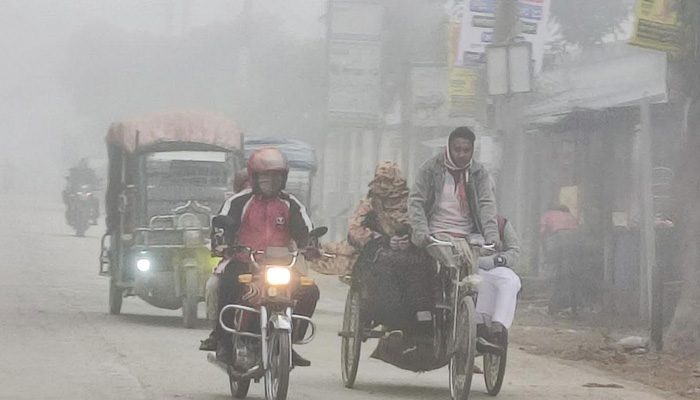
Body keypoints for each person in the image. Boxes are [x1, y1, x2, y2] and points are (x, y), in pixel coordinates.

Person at [212, 148, 319, 367]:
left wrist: (311, 246)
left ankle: (289, 340)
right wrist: (222, 242)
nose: (270, 181)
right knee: (228, 282)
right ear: (254, 177)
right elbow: (222, 225)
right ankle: (222, 340)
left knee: (309, 290)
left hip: (281, 265)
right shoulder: (239, 202)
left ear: (284, 179)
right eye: (265, 176)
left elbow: (305, 231)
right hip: (244, 262)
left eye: (276, 176)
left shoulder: (292, 204)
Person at [409, 126, 500, 248]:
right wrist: (421, 232)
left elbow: (486, 205)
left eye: (466, 150)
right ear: (448, 148)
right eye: (457, 149)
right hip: (435, 236)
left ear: (473, 151)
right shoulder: (430, 169)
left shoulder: (478, 173)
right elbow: (416, 202)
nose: (461, 154)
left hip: (468, 238)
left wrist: (492, 236)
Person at [200, 169, 251, 351]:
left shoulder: (285, 203)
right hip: (240, 260)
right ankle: (220, 334)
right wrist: (221, 244)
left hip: (275, 264)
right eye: (246, 183)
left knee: (304, 289)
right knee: (215, 286)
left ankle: (289, 336)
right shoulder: (233, 203)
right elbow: (219, 229)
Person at [475, 215, 521, 352]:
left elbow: (513, 250)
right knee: (477, 284)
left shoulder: (502, 223)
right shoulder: (457, 217)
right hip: (466, 265)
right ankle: (479, 326)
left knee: (511, 280)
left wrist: (497, 260)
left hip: (495, 266)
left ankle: (498, 327)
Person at [540, 204, 581, 314]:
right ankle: (573, 307)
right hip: (574, 241)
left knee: (554, 274)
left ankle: (552, 307)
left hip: (557, 239)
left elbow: (542, 234)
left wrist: (546, 253)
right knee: (571, 274)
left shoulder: (549, 214)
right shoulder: (571, 216)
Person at [63, 158, 101, 225]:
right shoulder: (74, 171)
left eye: (85, 164)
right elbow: (70, 181)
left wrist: (96, 185)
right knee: (70, 201)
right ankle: (70, 216)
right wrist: (70, 187)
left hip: (87, 191)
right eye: (82, 164)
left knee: (95, 201)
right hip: (76, 191)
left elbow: (95, 181)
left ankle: (94, 218)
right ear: (79, 164)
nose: (83, 165)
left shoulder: (90, 172)